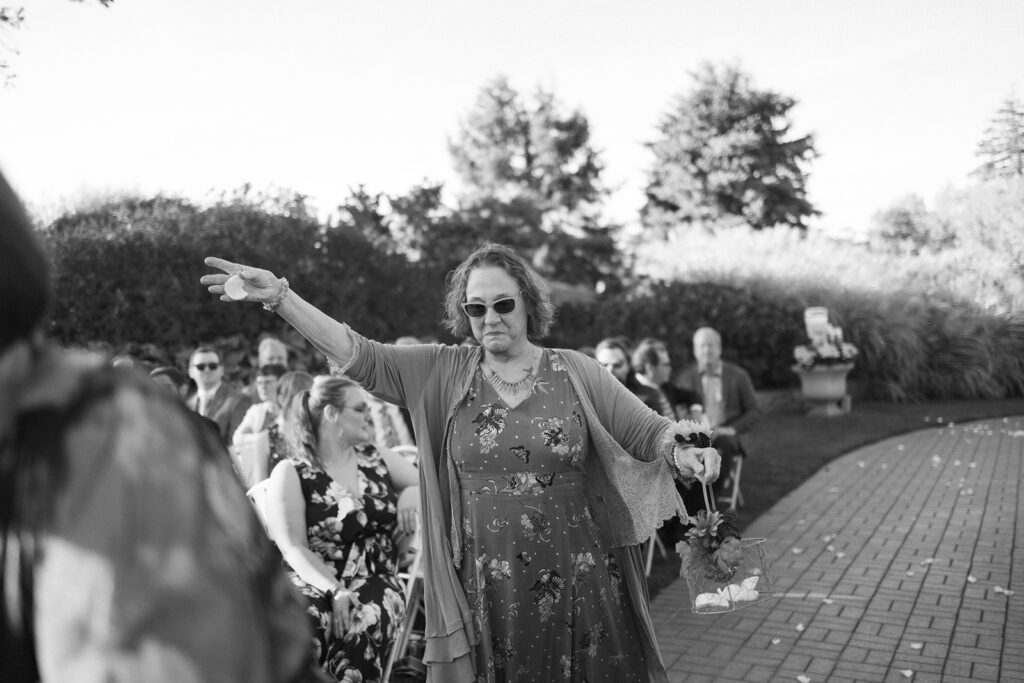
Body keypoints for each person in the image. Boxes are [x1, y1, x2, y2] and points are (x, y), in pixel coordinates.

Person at [201, 242, 721, 683]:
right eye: (476, 308)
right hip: (485, 584)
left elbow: (646, 429)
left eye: (503, 304)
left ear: (528, 304)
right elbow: (359, 354)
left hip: (579, 572)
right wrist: (283, 298)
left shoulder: (577, 371)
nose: (490, 317)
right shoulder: (441, 370)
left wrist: (682, 450)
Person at [0, 168, 325, 682]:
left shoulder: (109, 439)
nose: (205, 374)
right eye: (199, 368)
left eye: (208, 367)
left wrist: (279, 295)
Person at [264, 375, 420, 682]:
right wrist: (334, 590)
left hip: (376, 577)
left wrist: (409, 497)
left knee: (363, 620)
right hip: (315, 576)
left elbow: (421, 480)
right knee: (302, 620)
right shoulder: (293, 471)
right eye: (360, 408)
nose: (369, 415)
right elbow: (292, 546)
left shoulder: (376, 458)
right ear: (331, 413)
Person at [676, 327, 762, 499]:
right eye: (702, 346)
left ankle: (709, 496)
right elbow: (678, 410)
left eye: (711, 345)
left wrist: (732, 429)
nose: (706, 350)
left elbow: (754, 411)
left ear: (719, 348)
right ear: (695, 350)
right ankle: (694, 499)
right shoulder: (685, 378)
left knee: (723, 444)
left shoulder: (738, 376)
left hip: (726, 434)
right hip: (695, 435)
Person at [186, 344, 253, 446]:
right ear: (191, 372)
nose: (207, 370)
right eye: (201, 367)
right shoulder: (186, 404)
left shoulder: (238, 400)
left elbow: (237, 445)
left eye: (213, 366)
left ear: (221, 370)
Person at [595, 337, 675, 419]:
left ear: (628, 366)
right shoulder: (587, 400)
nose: (610, 370)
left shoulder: (647, 398)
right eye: (603, 365)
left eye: (617, 365)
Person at [632, 337, 702, 420]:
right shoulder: (634, 396)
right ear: (650, 368)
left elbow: (692, 395)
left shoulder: (664, 386)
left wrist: (696, 412)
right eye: (665, 365)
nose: (670, 368)